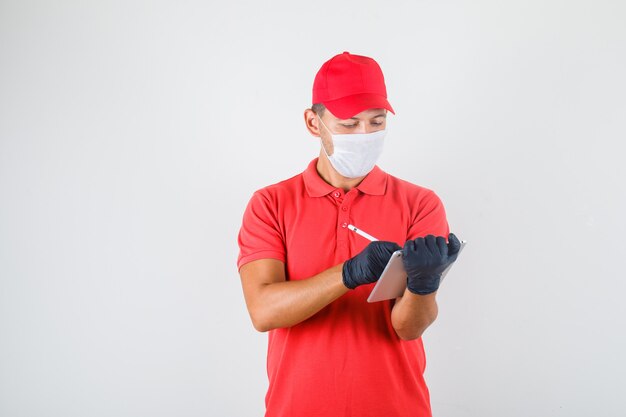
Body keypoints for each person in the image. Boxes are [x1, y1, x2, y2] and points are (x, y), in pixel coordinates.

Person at [237, 51, 461, 417]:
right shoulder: (271, 204)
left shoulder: (420, 204)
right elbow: (263, 311)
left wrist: (424, 285)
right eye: (349, 124)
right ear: (314, 123)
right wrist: (348, 274)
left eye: (376, 121)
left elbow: (408, 329)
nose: (365, 135)